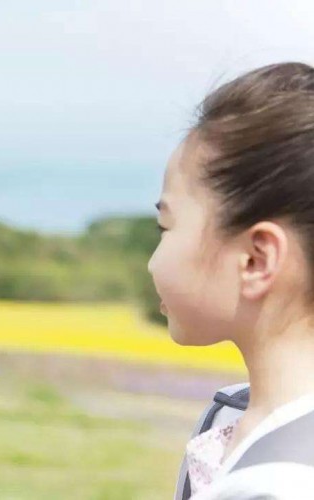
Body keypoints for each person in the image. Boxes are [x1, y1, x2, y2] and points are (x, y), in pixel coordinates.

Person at [150, 62, 314, 499]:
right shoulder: (226, 418)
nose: (152, 263)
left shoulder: (283, 484)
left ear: (256, 259)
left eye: (165, 228)